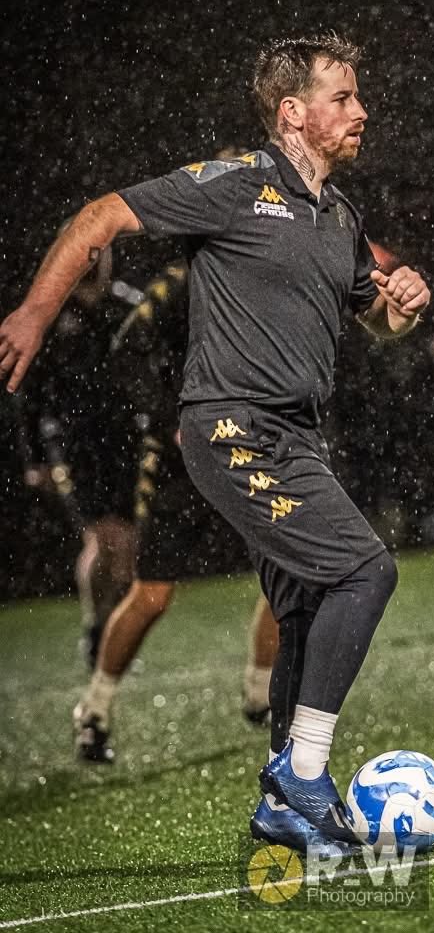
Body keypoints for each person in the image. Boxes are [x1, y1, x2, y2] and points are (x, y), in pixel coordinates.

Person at [0, 33, 431, 855]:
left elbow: (374, 321)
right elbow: (100, 217)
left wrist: (400, 307)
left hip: (296, 435)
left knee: (305, 606)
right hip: (232, 426)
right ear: (292, 112)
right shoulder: (236, 183)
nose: (361, 111)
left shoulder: (340, 215)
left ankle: (282, 808)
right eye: (343, 98)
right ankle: (303, 773)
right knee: (364, 570)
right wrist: (33, 314)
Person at [74, 255, 279, 764]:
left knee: (288, 570)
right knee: (152, 594)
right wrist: (175, 420)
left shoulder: (268, 272)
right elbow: (127, 351)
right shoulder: (184, 280)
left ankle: (262, 695)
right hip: (179, 464)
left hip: (251, 447)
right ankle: (94, 711)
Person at [17, 226, 137, 665]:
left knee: (127, 545)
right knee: (102, 538)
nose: (96, 260)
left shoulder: (127, 306)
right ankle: (96, 625)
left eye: (102, 251)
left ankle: (112, 630)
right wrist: (35, 458)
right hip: (75, 443)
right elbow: (29, 392)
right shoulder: (51, 316)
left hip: (123, 439)